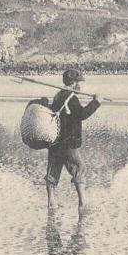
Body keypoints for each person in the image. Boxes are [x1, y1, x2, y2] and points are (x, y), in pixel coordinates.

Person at [46, 69, 100, 214]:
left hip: (54, 141)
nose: (80, 86)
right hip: (68, 143)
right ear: (74, 83)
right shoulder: (71, 98)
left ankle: (52, 204)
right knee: (80, 167)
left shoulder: (58, 96)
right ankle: (83, 204)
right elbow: (82, 115)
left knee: (53, 171)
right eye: (78, 82)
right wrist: (96, 102)